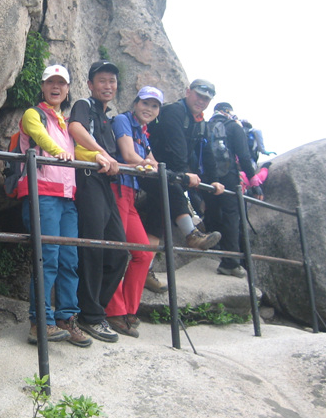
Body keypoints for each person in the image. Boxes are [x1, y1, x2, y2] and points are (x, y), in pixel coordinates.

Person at [16, 65, 90, 348]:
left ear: (68, 89)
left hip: (66, 197)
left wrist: (105, 158)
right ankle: (40, 322)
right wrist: (59, 151)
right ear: (43, 86)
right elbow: (39, 137)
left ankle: (66, 318)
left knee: (69, 258)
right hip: (42, 193)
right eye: (51, 82)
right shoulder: (34, 114)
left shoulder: (64, 122)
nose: (56, 87)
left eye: (61, 83)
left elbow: (79, 152)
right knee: (47, 256)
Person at [140, 79, 223, 291]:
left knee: (156, 222)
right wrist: (184, 174)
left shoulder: (199, 122)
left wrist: (214, 179)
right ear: (188, 92)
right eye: (198, 95)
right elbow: (177, 148)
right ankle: (191, 234)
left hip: (166, 172)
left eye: (206, 98)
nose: (201, 101)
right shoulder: (174, 112)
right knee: (171, 188)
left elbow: (207, 153)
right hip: (146, 167)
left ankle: (144, 272)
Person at [68, 60, 128, 343]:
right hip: (87, 179)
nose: (107, 86)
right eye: (102, 81)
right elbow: (76, 128)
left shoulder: (109, 118)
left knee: (118, 250)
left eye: (112, 81)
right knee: (93, 247)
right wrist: (103, 153)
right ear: (91, 85)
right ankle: (91, 316)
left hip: (105, 187)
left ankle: (92, 310)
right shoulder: (84, 105)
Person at [105, 86, 163, 338]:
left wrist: (148, 164)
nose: (149, 109)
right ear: (136, 102)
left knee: (143, 252)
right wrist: (146, 165)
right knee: (117, 251)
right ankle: (114, 311)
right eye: (145, 103)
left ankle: (129, 309)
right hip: (116, 191)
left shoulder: (142, 132)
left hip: (130, 195)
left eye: (154, 105)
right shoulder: (122, 120)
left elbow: (154, 163)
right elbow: (129, 155)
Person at [201, 102, 260, 278]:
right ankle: (231, 262)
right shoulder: (234, 126)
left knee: (212, 213)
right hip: (229, 178)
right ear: (229, 111)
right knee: (232, 217)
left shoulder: (204, 126)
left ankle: (217, 250)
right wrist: (254, 182)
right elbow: (243, 156)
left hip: (206, 178)